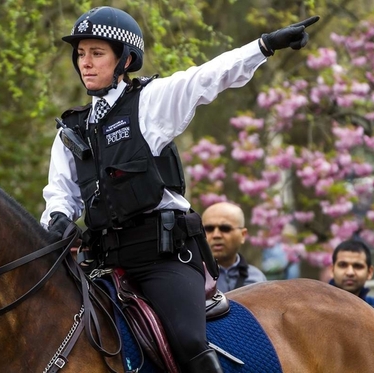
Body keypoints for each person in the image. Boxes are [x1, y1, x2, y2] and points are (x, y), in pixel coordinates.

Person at [40, 6, 318, 372]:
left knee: (188, 340)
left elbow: (206, 78)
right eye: (80, 54)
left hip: (163, 258)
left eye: (96, 53)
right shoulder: (69, 132)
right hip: (104, 262)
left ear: (124, 59)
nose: (86, 63)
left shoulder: (150, 103)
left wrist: (263, 45)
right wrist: (58, 218)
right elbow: (59, 195)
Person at [201, 202, 267, 293]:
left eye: (225, 228)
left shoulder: (257, 279)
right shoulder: (193, 277)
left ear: (243, 235)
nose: (216, 235)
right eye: (209, 229)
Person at [330, 239, 374, 308]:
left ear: (369, 272)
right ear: (332, 270)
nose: (350, 272)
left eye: (358, 266)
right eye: (343, 265)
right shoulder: (315, 307)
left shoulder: (373, 308)